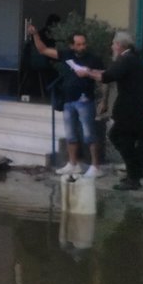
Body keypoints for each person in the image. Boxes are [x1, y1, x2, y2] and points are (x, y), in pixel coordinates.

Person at [27, 23, 105, 177]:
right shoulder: (67, 55)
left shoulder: (93, 59)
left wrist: (104, 99)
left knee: (89, 133)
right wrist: (35, 34)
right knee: (70, 134)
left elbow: (104, 77)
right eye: (78, 44)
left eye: (83, 43)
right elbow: (43, 50)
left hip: (85, 99)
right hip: (69, 99)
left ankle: (96, 166)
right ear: (72, 45)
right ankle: (73, 164)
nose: (82, 47)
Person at [81, 31, 143, 190]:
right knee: (129, 140)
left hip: (130, 109)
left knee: (119, 137)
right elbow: (110, 74)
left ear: (119, 45)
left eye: (113, 44)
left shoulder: (126, 59)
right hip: (137, 107)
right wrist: (91, 72)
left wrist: (87, 73)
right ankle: (136, 172)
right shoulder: (132, 58)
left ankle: (134, 176)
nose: (112, 46)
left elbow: (107, 77)